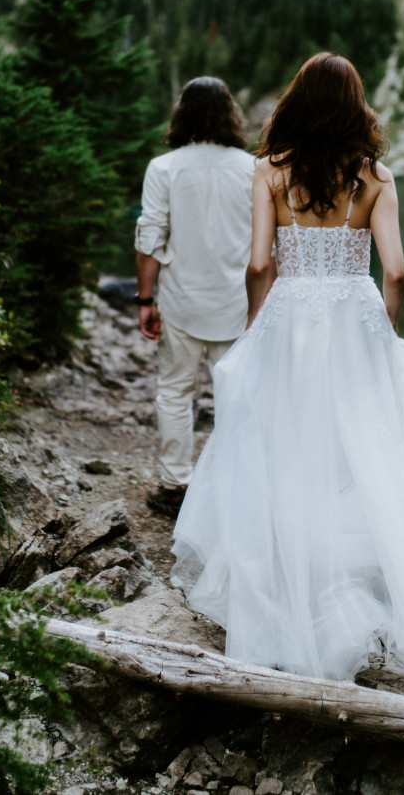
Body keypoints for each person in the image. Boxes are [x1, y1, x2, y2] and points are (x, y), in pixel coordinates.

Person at [170, 53, 404, 685]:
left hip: (290, 317)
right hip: (354, 314)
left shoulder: (269, 171)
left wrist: (254, 325)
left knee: (283, 447)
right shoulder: (377, 178)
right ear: (356, 106)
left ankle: (284, 594)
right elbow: (395, 272)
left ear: (296, 102)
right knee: (363, 455)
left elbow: (259, 264)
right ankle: (356, 588)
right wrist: (385, 327)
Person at [134, 77, 256, 517]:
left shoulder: (163, 168)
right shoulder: (253, 168)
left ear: (181, 113)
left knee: (174, 391)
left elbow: (150, 238)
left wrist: (144, 299)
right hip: (240, 303)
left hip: (181, 300)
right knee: (237, 396)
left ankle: (175, 486)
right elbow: (270, 243)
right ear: (231, 114)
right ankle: (236, 485)